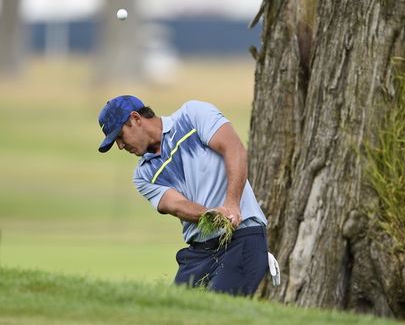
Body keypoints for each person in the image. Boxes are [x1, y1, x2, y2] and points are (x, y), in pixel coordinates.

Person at [97, 95, 279, 295]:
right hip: (200, 252)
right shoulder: (143, 175)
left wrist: (232, 204)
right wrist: (210, 214)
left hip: (243, 237)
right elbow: (177, 205)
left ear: (136, 118)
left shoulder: (192, 116)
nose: (121, 146)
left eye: (120, 137)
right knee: (174, 311)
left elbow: (234, 150)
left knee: (214, 313)